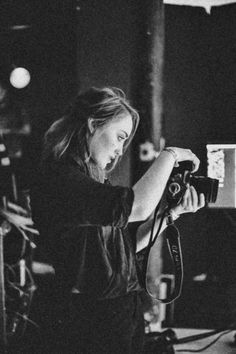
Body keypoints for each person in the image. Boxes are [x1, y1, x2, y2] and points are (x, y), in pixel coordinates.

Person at [30, 86, 205, 354]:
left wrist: (170, 215)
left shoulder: (91, 179)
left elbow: (126, 245)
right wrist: (169, 156)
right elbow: (137, 207)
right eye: (120, 137)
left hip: (120, 315)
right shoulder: (61, 180)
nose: (120, 151)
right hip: (91, 324)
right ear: (92, 125)